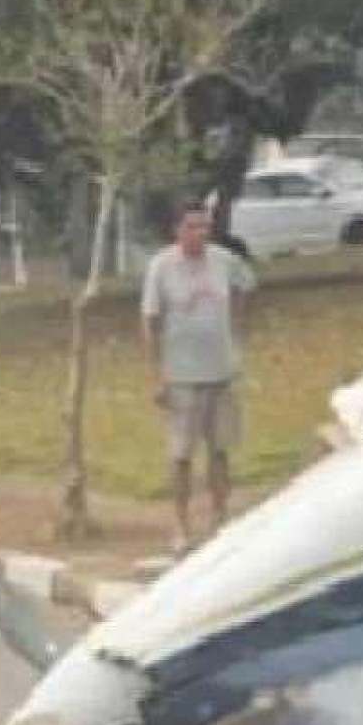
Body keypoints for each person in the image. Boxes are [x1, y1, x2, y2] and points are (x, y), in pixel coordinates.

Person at [142, 202, 256, 553]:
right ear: (178, 231)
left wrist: (237, 334)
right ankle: (180, 524)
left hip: (221, 371)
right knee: (181, 454)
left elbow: (246, 287)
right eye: (192, 227)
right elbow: (149, 321)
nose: (200, 234)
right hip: (181, 375)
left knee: (220, 450)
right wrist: (156, 375)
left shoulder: (223, 261)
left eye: (205, 227)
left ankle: (220, 517)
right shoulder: (161, 267)